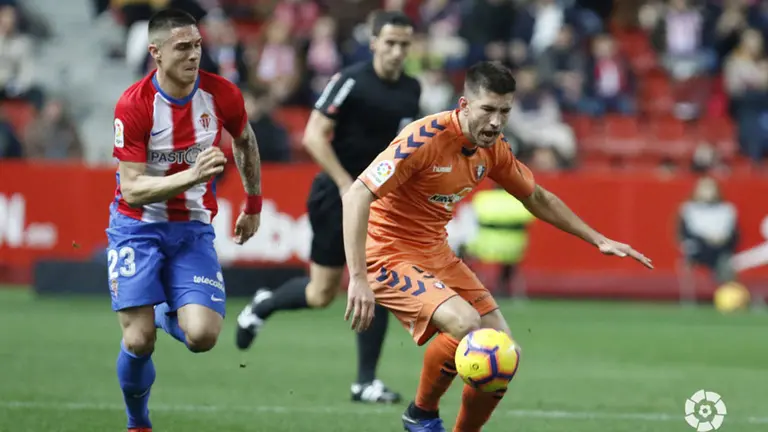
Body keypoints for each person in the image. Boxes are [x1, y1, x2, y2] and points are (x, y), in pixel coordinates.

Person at [341, 61, 653, 432]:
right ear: (464, 105)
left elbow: (535, 196)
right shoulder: (423, 138)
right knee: (465, 323)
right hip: (388, 253)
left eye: (504, 111)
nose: (495, 122)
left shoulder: (493, 148)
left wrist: (597, 238)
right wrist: (359, 277)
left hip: (434, 253)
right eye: (487, 109)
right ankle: (421, 414)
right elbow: (357, 194)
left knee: (505, 355)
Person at [235, 10, 420, 404]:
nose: (396, 51)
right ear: (373, 42)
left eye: (404, 44)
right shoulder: (350, 81)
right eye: (389, 43)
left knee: (377, 282)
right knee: (321, 293)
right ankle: (264, 304)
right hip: (334, 194)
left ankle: (364, 382)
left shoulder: (412, 90)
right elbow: (314, 136)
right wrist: (344, 183)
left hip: (377, 201)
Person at [107, 9, 262, 432]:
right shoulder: (135, 105)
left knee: (203, 338)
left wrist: (254, 201)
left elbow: (245, 141)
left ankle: (158, 309)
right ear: (155, 53)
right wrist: (192, 174)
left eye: (197, 45)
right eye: (183, 48)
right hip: (136, 227)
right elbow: (134, 189)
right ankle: (138, 422)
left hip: (192, 229)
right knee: (138, 341)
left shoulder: (221, 95)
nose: (194, 55)